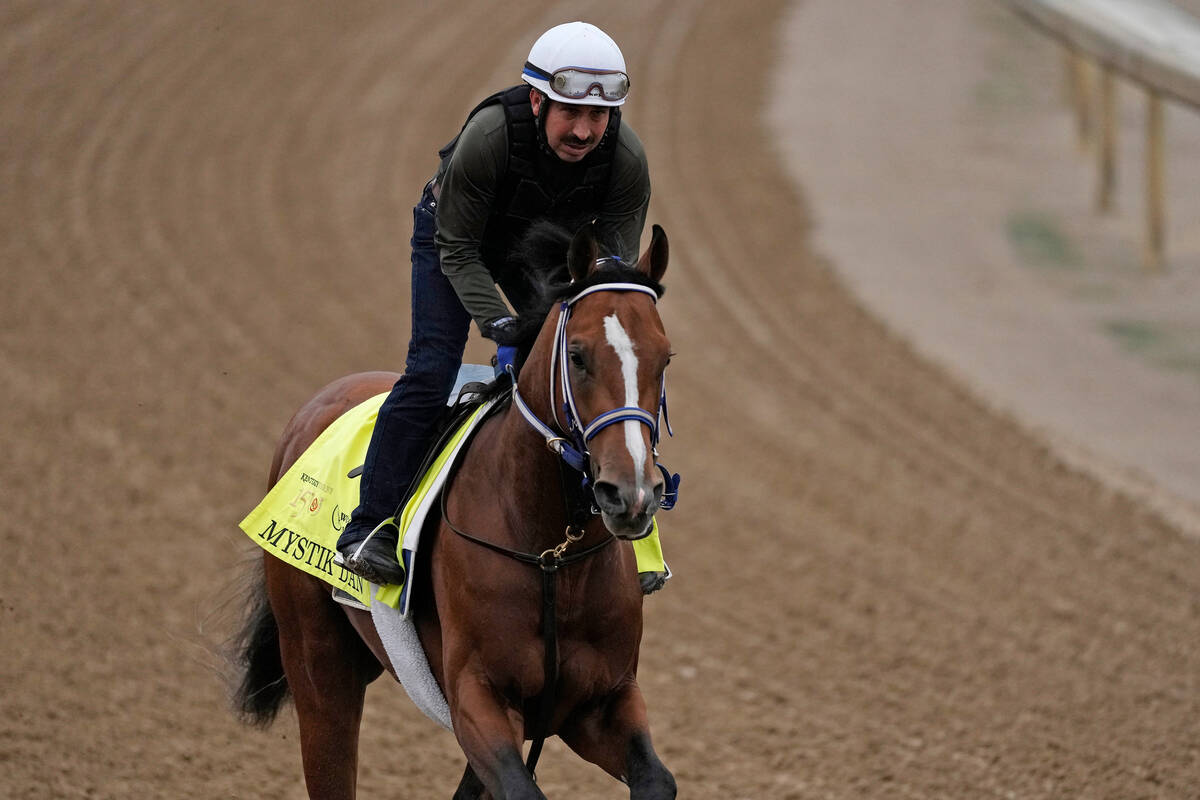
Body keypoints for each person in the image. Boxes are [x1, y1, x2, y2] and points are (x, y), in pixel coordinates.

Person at [336, 22, 659, 588]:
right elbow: (458, 249)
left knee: (600, 374)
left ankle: (635, 528)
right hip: (457, 240)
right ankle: (371, 526)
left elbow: (610, 276)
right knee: (431, 370)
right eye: (570, 112)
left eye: (599, 116)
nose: (585, 131)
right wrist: (502, 323)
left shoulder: (626, 160)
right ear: (536, 101)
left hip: (547, 247)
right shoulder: (488, 138)